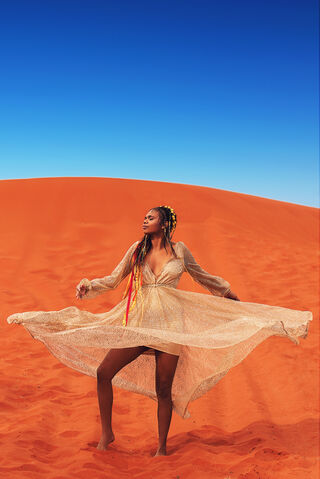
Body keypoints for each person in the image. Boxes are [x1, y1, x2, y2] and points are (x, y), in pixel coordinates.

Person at [7, 205, 312, 457]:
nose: (144, 220)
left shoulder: (180, 251)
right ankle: (107, 434)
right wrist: (89, 286)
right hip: (138, 324)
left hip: (169, 327)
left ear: (165, 223)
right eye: (145, 217)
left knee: (163, 389)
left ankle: (162, 448)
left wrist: (228, 296)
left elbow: (203, 276)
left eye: (151, 217)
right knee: (104, 372)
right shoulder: (136, 250)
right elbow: (114, 280)